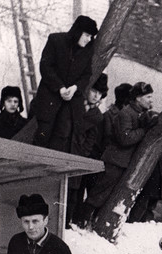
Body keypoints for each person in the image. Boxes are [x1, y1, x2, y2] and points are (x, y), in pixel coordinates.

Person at [32, 15, 98, 153]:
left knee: (61, 140)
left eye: (91, 36)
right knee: (42, 135)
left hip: (70, 105)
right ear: (77, 31)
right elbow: (46, 66)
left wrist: (75, 88)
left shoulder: (88, 50)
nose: (89, 39)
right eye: (86, 35)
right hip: (49, 101)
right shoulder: (56, 40)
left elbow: (87, 75)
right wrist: (60, 88)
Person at [81, 83, 142, 222]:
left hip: (111, 160)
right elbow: (104, 140)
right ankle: (83, 222)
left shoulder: (127, 115)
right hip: (104, 160)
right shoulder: (109, 116)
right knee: (96, 195)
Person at [126, 82, 162, 223]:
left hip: (155, 172)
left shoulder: (143, 115)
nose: (152, 100)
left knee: (148, 207)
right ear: (138, 98)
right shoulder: (139, 116)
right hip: (148, 172)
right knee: (142, 206)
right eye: (149, 96)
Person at [70, 73, 109, 227]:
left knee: (75, 192)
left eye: (99, 94)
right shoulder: (75, 105)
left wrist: (82, 153)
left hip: (79, 155)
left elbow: (92, 139)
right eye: (94, 91)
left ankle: (70, 223)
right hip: (65, 150)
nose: (96, 96)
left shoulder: (97, 116)